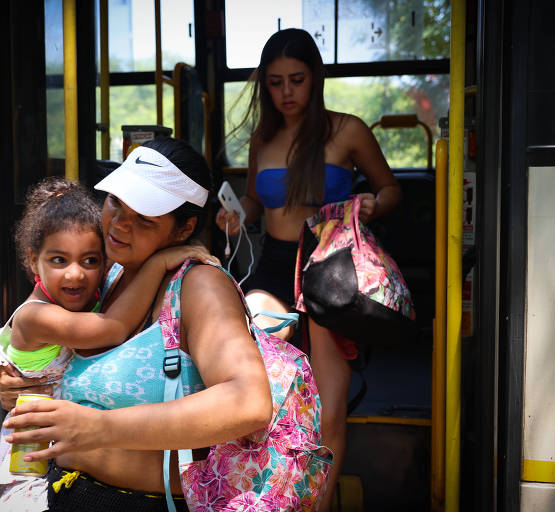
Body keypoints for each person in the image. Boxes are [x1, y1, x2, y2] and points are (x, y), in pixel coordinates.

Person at [0, 138, 274, 511]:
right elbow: (36, 333)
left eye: (144, 218)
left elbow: (248, 403)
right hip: (62, 490)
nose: (120, 224)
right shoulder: (106, 270)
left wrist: (98, 428)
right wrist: (14, 376)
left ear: (183, 227)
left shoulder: (197, 285)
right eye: (115, 203)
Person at [215, 28, 402, 510]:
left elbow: (391, 189)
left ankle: (318, 505)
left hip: (332, 266)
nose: (286, 93)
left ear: (315, 77)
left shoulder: (348, 129)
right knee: (264, 392)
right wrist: (238, 215)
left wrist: (371, 205)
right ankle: (271, 495)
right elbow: (257, 199)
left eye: (296, 80)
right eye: (274, 83)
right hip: (275, 266)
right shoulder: (264, 137)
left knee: (329, 406)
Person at [0, 177, 216, 510]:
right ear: (33, 261)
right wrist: (160, 263)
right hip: (31, 466)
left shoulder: (98, 289)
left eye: (89, 261)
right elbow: (112, 327)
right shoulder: (35, 317)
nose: (76, 275)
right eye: (58, 260)